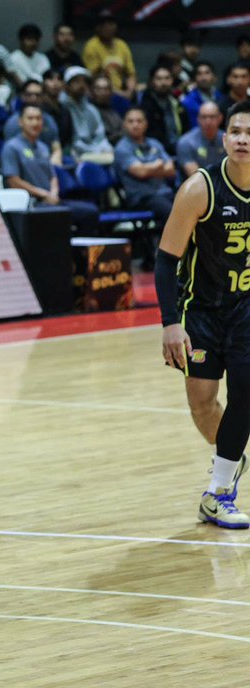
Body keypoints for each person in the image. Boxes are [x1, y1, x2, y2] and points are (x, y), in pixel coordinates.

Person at [157, 99, 250, 529]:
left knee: (245, 394)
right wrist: (170, 323)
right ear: (224, 138)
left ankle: (219, 491)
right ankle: (232, 458)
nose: (243, 140)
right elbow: (165, 261)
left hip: (246, 310)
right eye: (237, 132)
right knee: (203, 404)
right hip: (202, 311)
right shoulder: (200, 189)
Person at [0, 104, 98, 234]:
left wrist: (53, 193)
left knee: (90, 211)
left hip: (51, 200)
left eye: (38, 118)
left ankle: (79, 246)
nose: (35, 123)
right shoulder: (11, 147)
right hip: (30, 203)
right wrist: (43, 194)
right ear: (20, 122)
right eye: (30, 118)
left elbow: (52, 176)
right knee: (57, 215)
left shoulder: (43, 147)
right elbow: (13, 181)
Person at [114, 107, 175, 226]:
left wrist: (148, 169)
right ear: (124, 124)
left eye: (139, 121)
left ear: (146, 124)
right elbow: (141, 173)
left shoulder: (154, 143)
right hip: (141, 197)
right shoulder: (122, 148)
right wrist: (157, 165)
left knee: (191, 206)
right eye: (131, 121)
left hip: (163, 192)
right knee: (172, 213)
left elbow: (171, 170)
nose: (135, 125)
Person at [60, 65, 113, 161]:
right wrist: (94, 152)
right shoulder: (62, 107)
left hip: (93, 152)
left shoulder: (91, 109)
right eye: (76, 81)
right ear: (66, 85)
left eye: (84, 81)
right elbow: (73, 142)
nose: (81, 85)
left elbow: (100, 137)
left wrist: (105, 149)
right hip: (72, 153)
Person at [83, 12, 136, 99]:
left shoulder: (122, 45)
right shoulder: (92, 46)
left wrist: (129, 92)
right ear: (97, 27)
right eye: (103, 24)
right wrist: (117, 93)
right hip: (100, 93)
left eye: (111, 23)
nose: (108, 27)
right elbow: (92, 77)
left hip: (122, 92)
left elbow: (131, 74)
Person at [140, 64, 190, 156]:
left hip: (180, 150)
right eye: (159, 79)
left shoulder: (177, 103)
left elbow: (186, 129)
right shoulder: (145, 106)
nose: (163, 83)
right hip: (156, 153)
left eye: (167, 78)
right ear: (152, 81)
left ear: (172, 80)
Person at [176, 101, 224, 178]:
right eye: (204, 117)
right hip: (196, 183)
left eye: (212, 117)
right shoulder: (186, 142)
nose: (208, 122)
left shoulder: (227, 140)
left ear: (220, 118)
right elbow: (196, 177)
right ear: (198, 119)